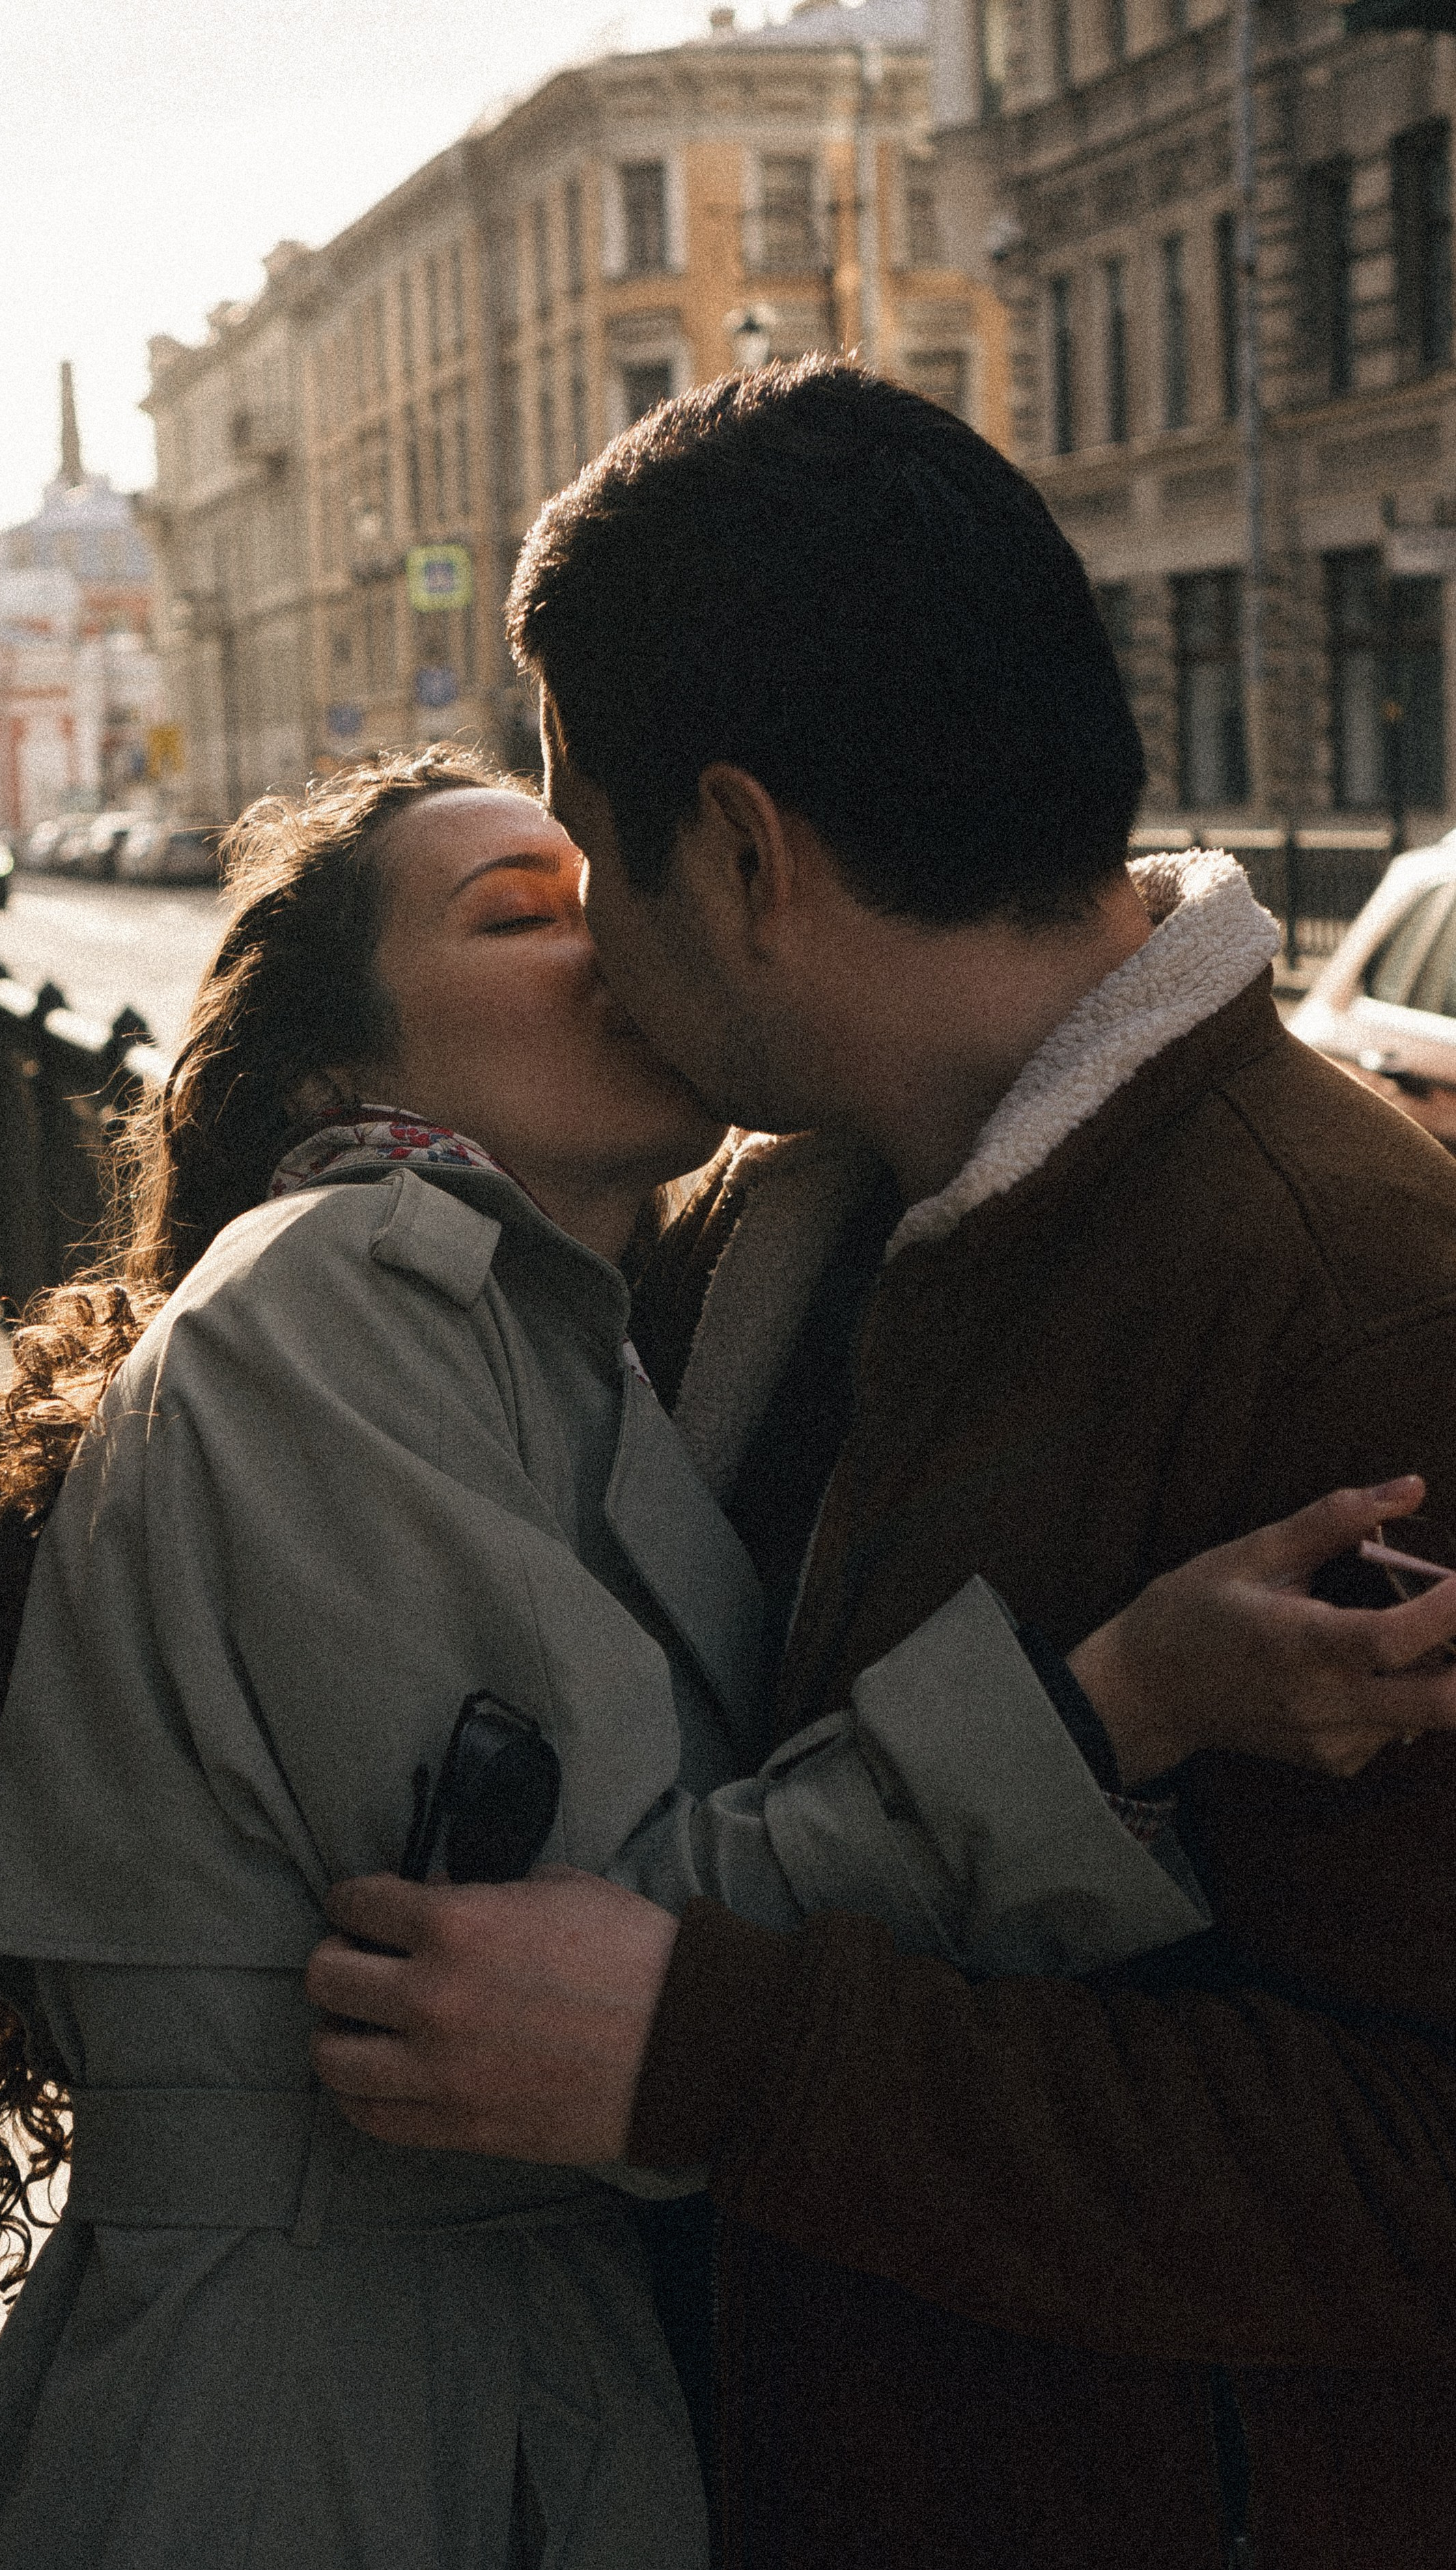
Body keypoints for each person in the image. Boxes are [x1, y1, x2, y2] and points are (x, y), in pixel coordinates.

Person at [305, 364, 1456, 2570]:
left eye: (586, 853)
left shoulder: (1351, 1300)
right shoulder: (761, 1225)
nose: (592, 953)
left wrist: (725, 2058)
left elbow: (1415, 2151)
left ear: (743, 855)